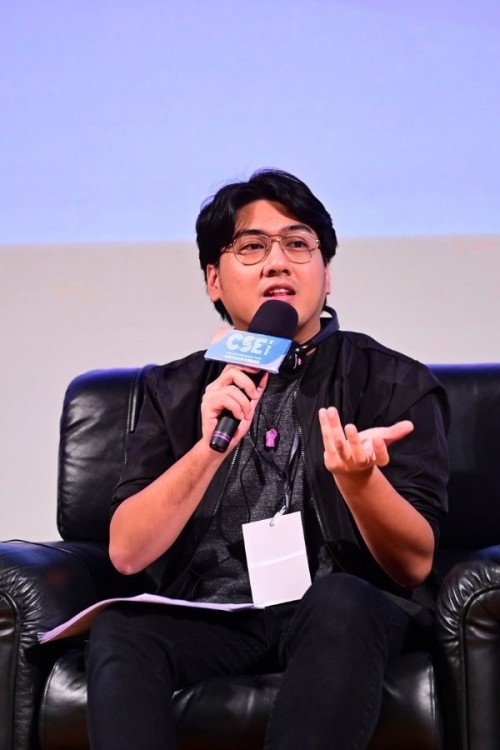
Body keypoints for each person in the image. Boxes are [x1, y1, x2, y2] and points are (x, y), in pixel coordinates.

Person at [86, 169, 449, 750]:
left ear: (326, 275)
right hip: (217, 613)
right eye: (252, 247)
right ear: (214, 279)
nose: (278, 263)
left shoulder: (395, 382)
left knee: (339, 600)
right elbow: (128, 552)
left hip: (341, 607)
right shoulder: (171, 390)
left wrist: (361, 483)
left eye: (298, 244)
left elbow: (415, 564)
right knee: (123, 630)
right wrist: (209, 447)